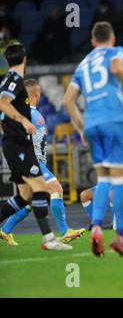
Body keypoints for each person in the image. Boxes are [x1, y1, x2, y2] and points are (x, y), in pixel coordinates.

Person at [63, 22, 123, 257]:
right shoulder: (116, 51)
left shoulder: (82, 64)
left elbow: (68, 101)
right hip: (114, 119)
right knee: (120, 180)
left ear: (92, 42)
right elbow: (116, 69)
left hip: (91, 123)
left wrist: (81, 127)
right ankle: (120, 238)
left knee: (103, 178)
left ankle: (97, 228)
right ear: (112, 39)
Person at [0, 44, 71, 250]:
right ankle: (49, 239)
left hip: (15, 143)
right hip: (19, 144)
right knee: (41, 189)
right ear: (25, 59)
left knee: (25, 196)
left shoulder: (9, 80)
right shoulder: (14, 79)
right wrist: (23, 121)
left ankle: (45, 237)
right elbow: (3, 102)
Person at [0, 79, 86, 246]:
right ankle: (64, 231)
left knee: (28, 200)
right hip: (33, 162)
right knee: (57, 188)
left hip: (32, 161)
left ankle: (6, 230)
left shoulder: (25, 112)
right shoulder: (30, 113)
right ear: (37, 94)